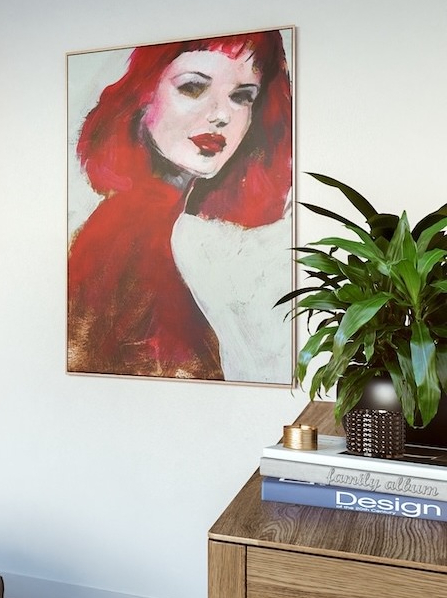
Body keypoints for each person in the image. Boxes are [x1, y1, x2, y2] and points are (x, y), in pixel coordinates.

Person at [68, 30, 293, 380]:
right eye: (192, 88)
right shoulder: (133, 232)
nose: (221, 115)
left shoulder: (178, 230)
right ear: (142, 97)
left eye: (242, 96)